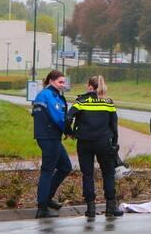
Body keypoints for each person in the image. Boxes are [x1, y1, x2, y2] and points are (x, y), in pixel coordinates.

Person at [65, 75, 122, 220]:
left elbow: (68, 118)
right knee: (108, 174)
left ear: (89, 86)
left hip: (84, 142)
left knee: (88, 174)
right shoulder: (108, 103)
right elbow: (114, 124)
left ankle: (90, 208)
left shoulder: (81, 101)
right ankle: (110, 207)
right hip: (104, 142)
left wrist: (70, 132)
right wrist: (114, 143)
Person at [31, 70, 72, 218]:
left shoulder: (45, 94)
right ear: (51, 81)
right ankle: (42, 207)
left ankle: (47, 198)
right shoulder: (49, 95)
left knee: (65, 166)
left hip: (49, 136)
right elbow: (58, 118)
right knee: (47, 170)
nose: (62, 85)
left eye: (63, 82)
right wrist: (69, 131)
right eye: (60, 82)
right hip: (49, 137)